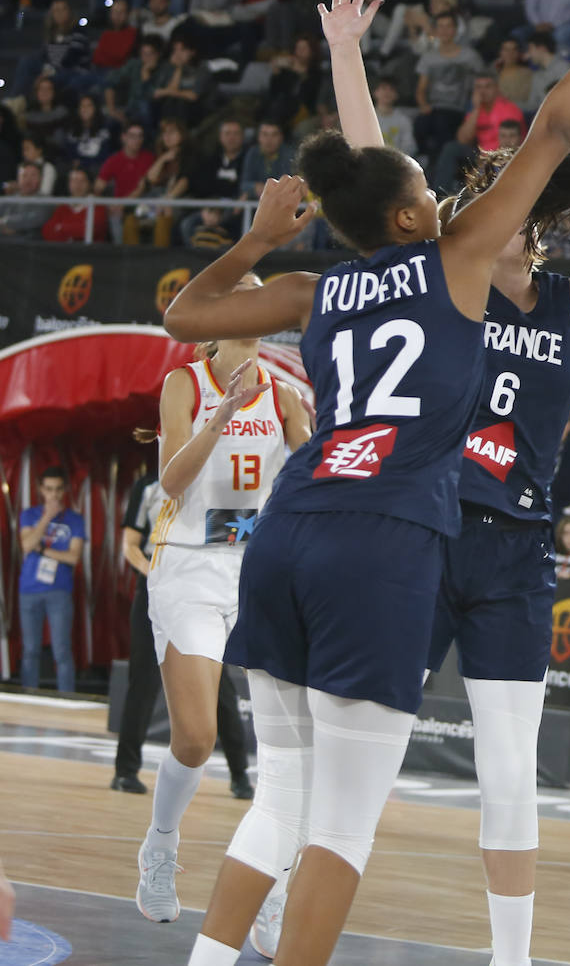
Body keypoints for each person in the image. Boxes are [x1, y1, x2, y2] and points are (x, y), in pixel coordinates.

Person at [169, 0, 570, 966]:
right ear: (424, 215)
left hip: (310, 522)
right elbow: (543, 131)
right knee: (338, 823)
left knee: (292, 794)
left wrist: (255, 236)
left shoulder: (349, 278)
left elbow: (189, 312)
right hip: (396, 535)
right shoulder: (451, 261)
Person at [135, 334, 311, 944]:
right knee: (196, 736)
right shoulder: (185, 383)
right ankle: (159, 846)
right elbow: (173, 480)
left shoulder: (286, 396)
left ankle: (271, 887)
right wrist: (223, 417)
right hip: (188, 565)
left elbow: (315, 483)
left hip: (257, 573)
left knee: (290, 748)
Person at [112, 454, 254, 799]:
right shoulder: (147, 487)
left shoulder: (220, 484)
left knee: (220, 689)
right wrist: (155, 571)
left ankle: (240, 775)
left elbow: (245, 528)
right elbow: (130, 544)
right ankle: (125, 770)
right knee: (142, 682)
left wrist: (196, 538)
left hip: (201, 589)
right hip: (154, 589)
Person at [17, 467, 85, 693]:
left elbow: (73, 557)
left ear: (64, 490)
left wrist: (43, 551)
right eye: (48, 489)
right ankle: (29, 697)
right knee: (30, 650)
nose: (53, 495)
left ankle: (66, 699)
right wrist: (47, 516)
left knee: (62, 650)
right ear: (41, 490)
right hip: (29, 589)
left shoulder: (75, 520)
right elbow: (26, 545)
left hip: (59, 590)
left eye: (57, 490)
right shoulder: (30, 515)